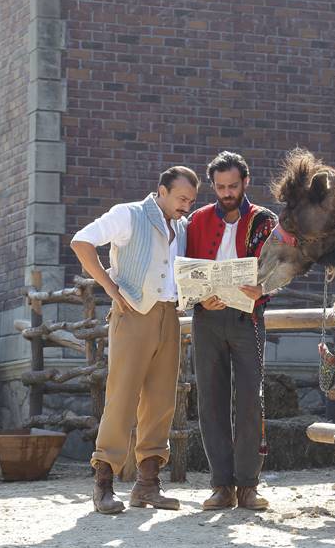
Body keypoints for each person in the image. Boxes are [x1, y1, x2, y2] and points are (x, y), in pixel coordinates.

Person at [70, 166, 199, 514]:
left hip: (169, 315)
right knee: (122, 396)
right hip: (132, 314)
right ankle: (103, 483)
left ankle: (147, 484)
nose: (186, 205)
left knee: (161, 401)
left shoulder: (184, 227)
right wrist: (111, 289)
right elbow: (81, 242)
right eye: (181, 198)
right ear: (162, 191)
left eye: (191, 200)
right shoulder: (128, 214)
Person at [186, 151, 277, 511]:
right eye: (220, 187)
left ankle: (248, 486)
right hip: (206, 320)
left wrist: (263, 289)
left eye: (233, 186)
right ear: (213, 185)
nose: (226, 193)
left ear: (246, 183)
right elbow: (186, 270)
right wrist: (199, 299)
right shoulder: (196, 221)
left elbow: (280, 268)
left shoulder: (265, 221)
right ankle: (221, 485)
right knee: (210, 400)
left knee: (251, 400)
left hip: (248, 319)